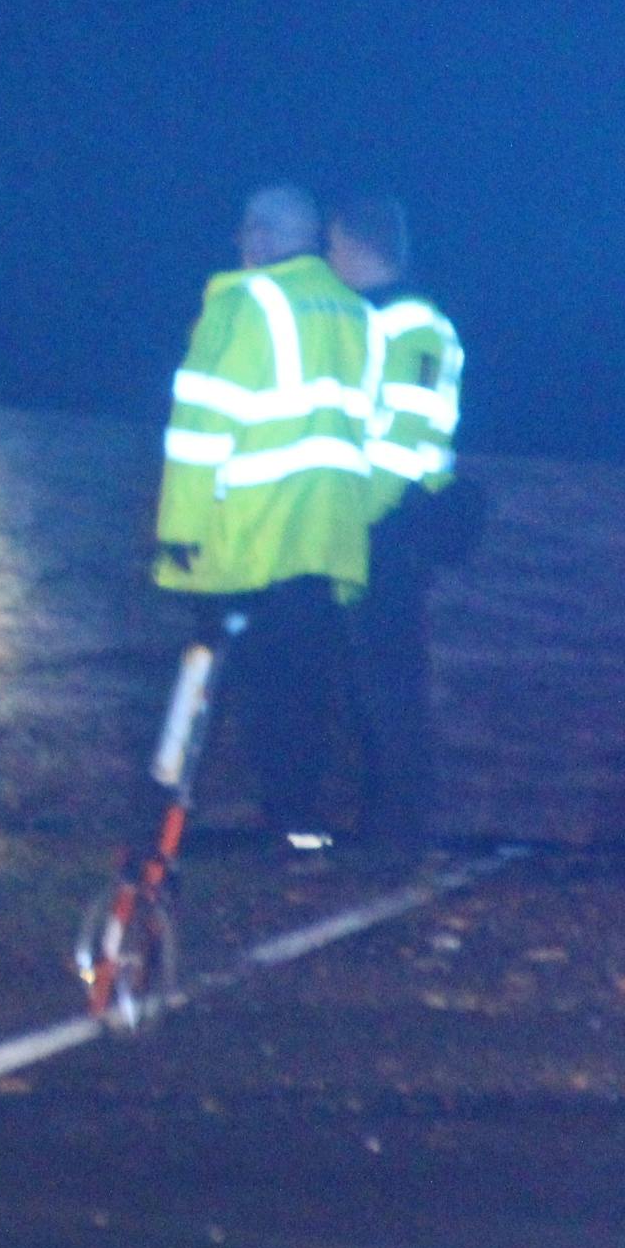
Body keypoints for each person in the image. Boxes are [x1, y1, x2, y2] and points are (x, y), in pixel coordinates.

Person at [156, 182, 377, 847]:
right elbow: (366, 428)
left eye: (245, 231)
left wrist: (180, 534)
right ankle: (297, 826)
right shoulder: (356, 313)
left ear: (259, 234)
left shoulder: (244, 302)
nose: (239, 244)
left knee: (209, 684)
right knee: (301, 694)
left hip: (245, 537)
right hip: (327, 539)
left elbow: (199, 429)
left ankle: (170, 817)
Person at [331, 194, 469, 862]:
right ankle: (387, 832)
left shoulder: (407, 323)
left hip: (387, 531)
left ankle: (398, 838)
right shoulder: (391, 319)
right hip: (383, 528)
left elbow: (396, 445)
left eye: (333, 248)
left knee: (389, 693)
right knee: (380, 691)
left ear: (352, 245)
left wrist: (345, 525)